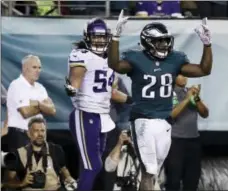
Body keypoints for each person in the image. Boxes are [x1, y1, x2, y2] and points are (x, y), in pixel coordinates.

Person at [108, 10, 213, 190]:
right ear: (147, 42)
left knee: (153, 172)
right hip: (142, 119)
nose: (164, 44)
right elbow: (115, 64)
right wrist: (115, 38)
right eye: (159, 41)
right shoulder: (136, 58)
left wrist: (207, 44)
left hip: (164, 121)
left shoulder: (175, 59)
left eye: (166, 40)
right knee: (149, 169)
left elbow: (204, 70)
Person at [64, 18, 132, 191]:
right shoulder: (80, 54)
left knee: (97, 165)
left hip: (102, 116)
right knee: (92, 166)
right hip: (84, 113)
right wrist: (72, 87)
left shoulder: (111, 61)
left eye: (103, 37)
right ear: (88, 37)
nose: (100, 40)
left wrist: (134, 100)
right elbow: (76, 79)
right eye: (96, 37)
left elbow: (112, 93)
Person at [3, 117, 76, 191]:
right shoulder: (17, 154)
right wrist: (21, 183)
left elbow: (63, 169)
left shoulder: (56, 149)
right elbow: (6, 182)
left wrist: (68, 178)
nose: (40, 134)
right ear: (28, 133)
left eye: (42, 131)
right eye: (36, 131)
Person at [165, 75, 209, 191]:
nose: (185, 78)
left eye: (186, 75)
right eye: (182, 74)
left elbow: (205, 113)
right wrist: (186, 99)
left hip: (193, 140)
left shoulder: (190, 92)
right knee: (173, 181)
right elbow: (170, 115)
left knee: (192, 180)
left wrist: (196, 98)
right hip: (175, 142)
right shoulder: (168, 93)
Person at [4, 55, 56, 152]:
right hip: (20, 135)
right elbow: (25, 112)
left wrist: (36, 104)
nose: (38, 70)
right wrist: (43, 106)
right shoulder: (16, 85)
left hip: (39, 137)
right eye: (34, 67)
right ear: (24, 68)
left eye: (39, 67)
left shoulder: (41, 87)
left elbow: (52, 110)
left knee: (39, 166)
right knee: (21, 166)